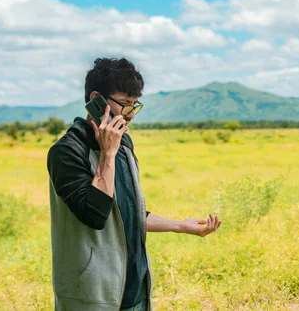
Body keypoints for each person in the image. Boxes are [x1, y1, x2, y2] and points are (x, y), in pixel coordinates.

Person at [47, 57, 222, 311]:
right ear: (96, 99)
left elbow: (126, 214)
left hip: (134, 291)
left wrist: (180, 226)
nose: (130, 115)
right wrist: (107, 154)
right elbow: (96, 214)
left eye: (134, 105)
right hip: (92, 295)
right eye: (124, 104)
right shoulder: (66, 151)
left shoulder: (124, 146)